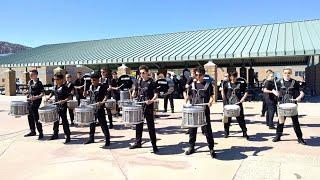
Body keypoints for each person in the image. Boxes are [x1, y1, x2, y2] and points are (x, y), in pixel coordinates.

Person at [185, 66, 215, 158]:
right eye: (196, 75)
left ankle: (211, 148)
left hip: (204, 110)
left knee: (207, 130)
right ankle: (191, 146)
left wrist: (210, 102)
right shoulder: (192, 85)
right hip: (194, 110)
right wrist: (186, 100)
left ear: (203, 75)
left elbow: (212, 96)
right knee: (192, 129)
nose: (197, 76)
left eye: (199, 75)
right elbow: (188, 95)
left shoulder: (207, 84)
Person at [272, 67, 306, 145]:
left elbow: (302, 92)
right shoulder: (278, 82)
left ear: (291, 73)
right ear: (283, 73)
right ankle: (278, 136)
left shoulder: (295, 82)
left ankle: (300, 138)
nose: (287, 74)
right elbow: (273, 89)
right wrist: (275, 93)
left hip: (292, 104)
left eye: (289, 73)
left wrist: (298, 98)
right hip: (282, 104)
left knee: (295, 122)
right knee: (280, 122)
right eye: (285, 73)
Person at [130, 65, 159, 153]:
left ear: (147, 73)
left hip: (148, 106)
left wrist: (151, 101)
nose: (142, 75)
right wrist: (133, 95)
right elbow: (136, 91)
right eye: (140, 73)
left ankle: (154, 145)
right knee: (138, 125)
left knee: (151, 127)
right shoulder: (139, 82)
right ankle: (138, 142)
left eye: (143, 73)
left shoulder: (152, 82)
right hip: (140, 106)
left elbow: (156, 94)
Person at [83, 73, 111, 147]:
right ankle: (91, 138)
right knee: (91, 123)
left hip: (99, 107)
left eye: (94, 80)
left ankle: (107, 139)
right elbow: (89, 94)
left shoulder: (102, 87)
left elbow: (106, 96)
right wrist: (86, 93)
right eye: (91, 80)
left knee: (103, 124)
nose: (92, 82)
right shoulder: (91, 86)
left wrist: (102, 103)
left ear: (98, 80)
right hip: (92, 107)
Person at [222, 71, 249, 140]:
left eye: (234, 77)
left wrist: (243, 99)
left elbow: (246, 91)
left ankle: (244, 132)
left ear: (236, 77)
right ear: (230, 77)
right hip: (228, 104)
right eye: (231, 76)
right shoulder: (226, 84)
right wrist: (224, 100)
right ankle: (226, 132)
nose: (233, 78)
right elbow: (223, 92)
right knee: (227, 119)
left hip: (237, 104)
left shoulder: (240, 84)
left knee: (241, 119)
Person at [46, 74, 71, 143]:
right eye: (54, 79)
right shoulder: (55, 87)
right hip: (56, 106)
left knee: (64, 121)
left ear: (61, 80)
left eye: (57, 79)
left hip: (63, 107)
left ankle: (68, 136)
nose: (55, 81)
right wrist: (48, 98)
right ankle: (55, 134)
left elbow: (69, 97)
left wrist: (64, 101)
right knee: (55, 121)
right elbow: (52, 93)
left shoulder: (64, 87)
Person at [24, 69, 44, 139]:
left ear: (36, 75)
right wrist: (26, 92)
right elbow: (29, 91)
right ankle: (32, 131)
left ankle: (40, 133)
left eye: (31, 74)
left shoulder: (39, 83)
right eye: (30, 74)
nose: (30, 75)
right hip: (30, 101)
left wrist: (36, 97)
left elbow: (42, 93)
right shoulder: (30, 82)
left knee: (36, 117)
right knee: (29, 117)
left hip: (36, 102)